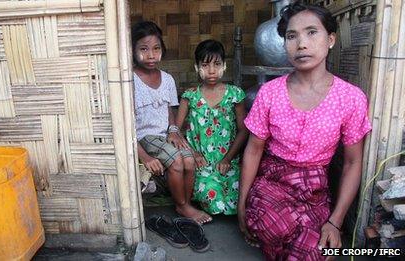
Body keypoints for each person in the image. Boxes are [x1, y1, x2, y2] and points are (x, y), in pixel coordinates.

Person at [237, 2, 372, 260]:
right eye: (291, 35)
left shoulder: (351, 98)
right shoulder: (270, 93)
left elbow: (353, 162)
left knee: (319, 251)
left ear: (330, 39)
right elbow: (253, 150)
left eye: (312, 32)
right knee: (274, 224)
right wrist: (242, 205)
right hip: (272, 182)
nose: (301, 43)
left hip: (315, 189)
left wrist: (335, 222)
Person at [131, 21, 211, 224]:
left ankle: (184, 201)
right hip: (144, 137)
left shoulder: (167, 79)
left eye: (156, 48)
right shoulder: (129, 80)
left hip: (165, 134)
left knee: (190, 160)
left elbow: (168, 109)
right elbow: (125, 125)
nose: (151, 55)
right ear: (132, 50)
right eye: (144, 49)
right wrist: (145, 157)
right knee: (176, 160)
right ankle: (182, 206)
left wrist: (174, 130)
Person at [176, 39, 248, 217]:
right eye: (205, 65)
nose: (212, 70)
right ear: (196, 67)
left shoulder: (235, 94)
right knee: (213, 195)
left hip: (228, 161)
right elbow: (176, 131)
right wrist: (194, 154)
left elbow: (244, 130)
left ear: (224, 65)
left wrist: (227, 158)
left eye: (217, 64)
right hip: (202, 163)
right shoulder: (190, 96)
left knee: (243, 195)